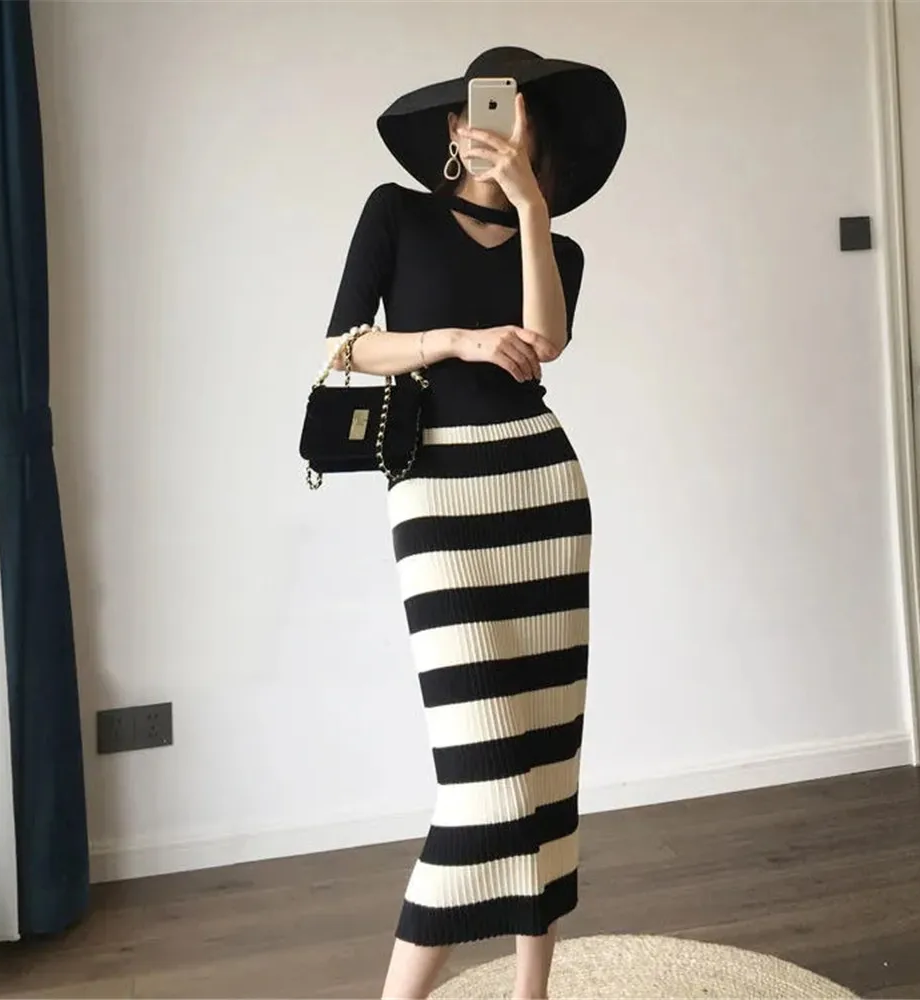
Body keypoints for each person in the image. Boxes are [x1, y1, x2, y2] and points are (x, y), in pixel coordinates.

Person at [323, 47, 626, 1000]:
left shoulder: (559, 248)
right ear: (455, 129)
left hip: (541, 489)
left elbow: (546, 342)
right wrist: (454, 341)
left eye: (518, 116)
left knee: (544, 761)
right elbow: (345, 347)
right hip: (437, 489)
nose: (497, 128)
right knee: (483, 777)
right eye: (484, 112)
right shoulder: (396, 213)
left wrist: (531, 204)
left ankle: (532, 990)